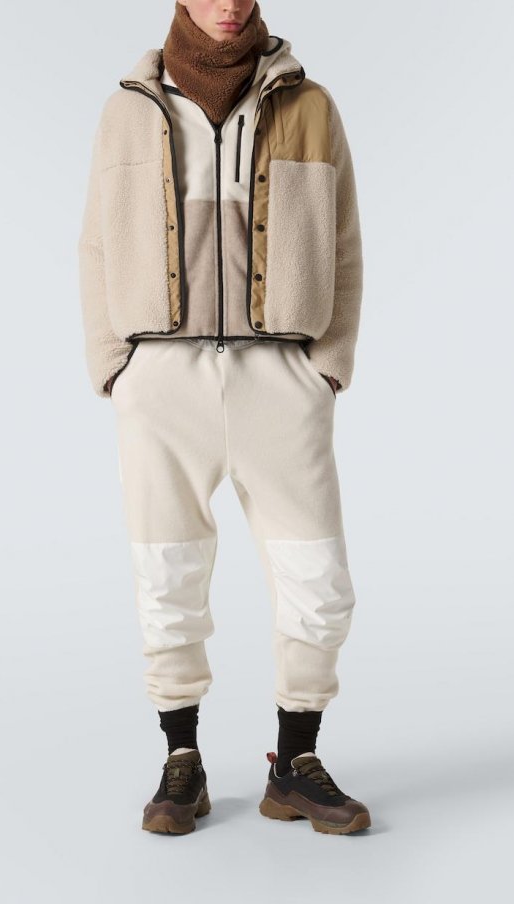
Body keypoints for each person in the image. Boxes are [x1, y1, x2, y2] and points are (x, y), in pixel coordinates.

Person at [78, 0, 369, 835]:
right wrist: (117, 366)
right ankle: (182, 760)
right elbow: (96, 243)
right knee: (167, 574)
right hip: (162, 378)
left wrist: (326, 365)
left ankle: (295, 762)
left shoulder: (309, 104)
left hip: (281, 374)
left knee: (319, 581)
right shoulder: (130, 109)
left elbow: (344, 243)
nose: (230, 5)